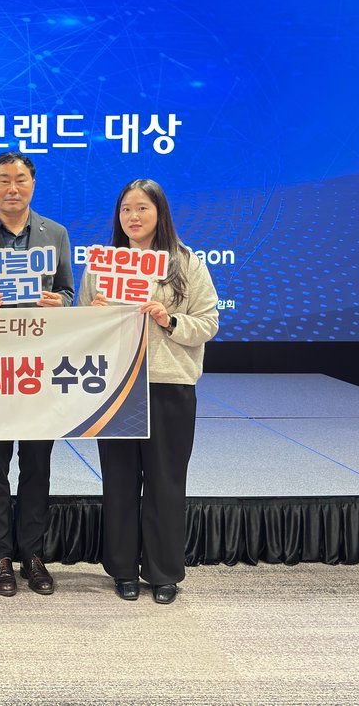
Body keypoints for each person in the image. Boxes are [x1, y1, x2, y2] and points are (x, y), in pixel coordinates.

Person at [78, 178, 219, 605]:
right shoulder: (102, 264)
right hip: (116, 386)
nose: (133, 217)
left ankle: (163, 572)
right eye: (126, 209)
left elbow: (208, 322)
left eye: (142, 208)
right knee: (119, 481)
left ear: (160, 213)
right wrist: (92, 316)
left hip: (167, 384)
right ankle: (122, 569)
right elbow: (80, 326)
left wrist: (168, 319)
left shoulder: (185, 262)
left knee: (165, 481)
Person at [0, 152, 74, 596]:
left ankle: (33, 554)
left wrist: (60, 302)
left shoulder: (55, 234)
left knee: (37, 464)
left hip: (40, 367)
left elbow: (68, 291)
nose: (12, 188)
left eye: (20, 179)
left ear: (33, 184)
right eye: (3, 180)